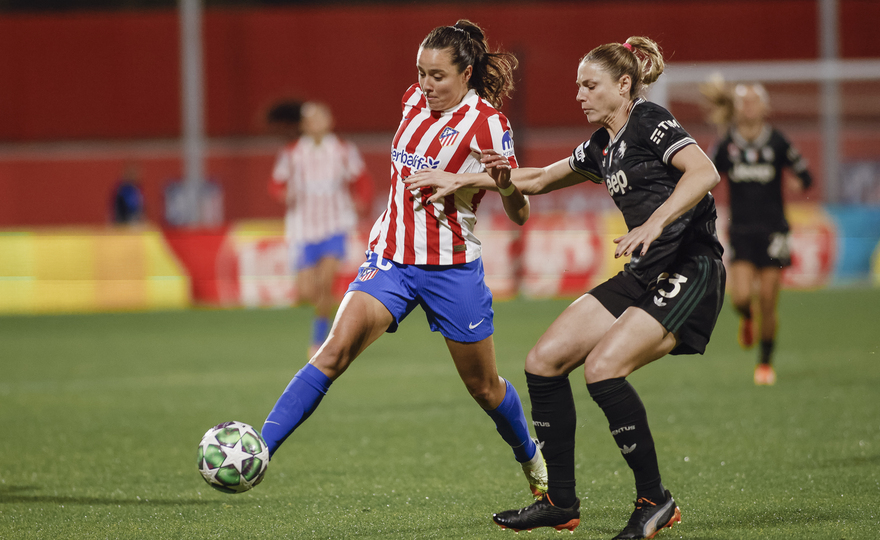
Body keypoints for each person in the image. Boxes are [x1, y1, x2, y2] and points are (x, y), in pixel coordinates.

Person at [407, 37, 725, 539]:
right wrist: (475, 178)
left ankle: (655, 500)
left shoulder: (647, 120)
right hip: (643, 272)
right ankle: (560, 502)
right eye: (578, 84)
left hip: (690, 268)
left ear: (624, 86)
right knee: (543, 362)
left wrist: (655, 223)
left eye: (590, 85)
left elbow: (703, 171)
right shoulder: (603, 144)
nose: (579, 94)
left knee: (603, 371)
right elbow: (534, 180)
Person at [260, 20, 548, 503]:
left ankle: (531, 458)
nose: (426, 85)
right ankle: (259, 451)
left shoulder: (489, 125)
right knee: (332, 352)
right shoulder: (412, 101)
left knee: (484, 388)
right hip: (390, 258)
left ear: (466, 73)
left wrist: (501, 183)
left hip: (452, 269)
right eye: (420, 73)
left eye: (437, 75)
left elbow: (519, 213)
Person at [701, 78, 813, 385]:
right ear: (735, 108)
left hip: (774, 231)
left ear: (764, 107)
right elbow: (707, 176)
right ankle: (747, 319)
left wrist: (799, 182)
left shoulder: (777, 141)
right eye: (743, 102)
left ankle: (764, 363)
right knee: (739, 298)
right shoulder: (726, 144)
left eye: (753, 101)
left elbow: (805, 174)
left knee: (767, 297)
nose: (748, 107)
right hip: (740, 231)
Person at [267, 100, 373, 358]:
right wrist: (282, 194)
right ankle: (324, 319)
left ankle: (319, 339)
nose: (317, 124)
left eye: (321, 118)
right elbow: (275, 183)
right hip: (303, 229)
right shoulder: (292, 153)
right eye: (312, 120)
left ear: (330, 122)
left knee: (326, 282)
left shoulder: (343, 150)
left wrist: (362, 200)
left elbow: (362, 179)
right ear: (304, 125)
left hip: (335, 225)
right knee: (306, 291)